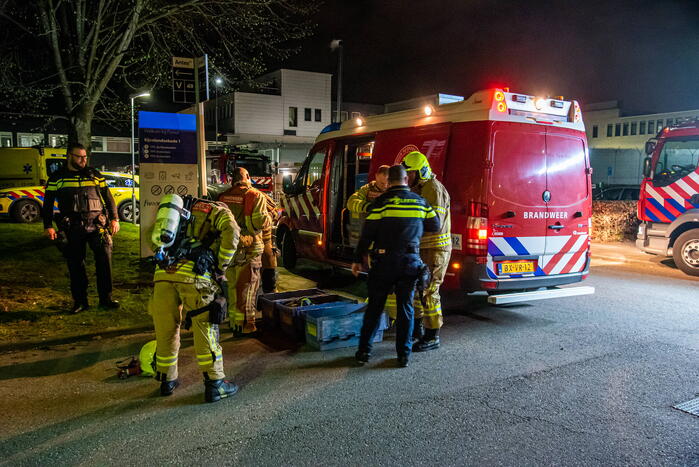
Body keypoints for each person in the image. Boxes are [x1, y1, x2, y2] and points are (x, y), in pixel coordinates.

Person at [149, 195, 241, 402]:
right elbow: (233, 233)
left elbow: (151, 236)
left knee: (166, 330)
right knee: (205, 329)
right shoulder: (218, 211)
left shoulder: (174, 213)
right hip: (195, 277)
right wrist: (221, 266)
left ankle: (167, 380)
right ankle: (216, 384)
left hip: (162, 276)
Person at [352, 165, 440, 367]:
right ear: (406, 180)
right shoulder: (420, 203)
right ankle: (403, 356)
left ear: (389, 182)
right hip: (410, 262)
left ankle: (364, 353)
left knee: (374, 307)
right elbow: (435, 225)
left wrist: (358, 259)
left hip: (383, 262)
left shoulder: (381, 203)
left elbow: (368, 234)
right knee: (406, 308)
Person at [42, 143, 120, 313]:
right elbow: (47, 204)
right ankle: (80, 302)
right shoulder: (57, 177)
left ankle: (106, 299)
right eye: (79, 157)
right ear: (69, 156)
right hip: (73, 226)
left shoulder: (94, 175)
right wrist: (48, 226)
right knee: (76, 265)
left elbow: (108, 198)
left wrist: (114, 219)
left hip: (97, 225)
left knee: (105, 263)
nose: (83, 160)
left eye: (85, 157)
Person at [401, 151, 452, 352]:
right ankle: (418, 329)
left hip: (435, 249)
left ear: (420, 171)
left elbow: (435, 223)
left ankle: (432, 336)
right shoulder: (420, 188)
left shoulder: (432, 188)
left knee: (430, 291)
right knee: (418, 290)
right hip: (423, 248)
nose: (408, 177)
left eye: (411, 173)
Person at [218, 167, 271, 335]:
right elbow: (258, 222)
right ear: (247, 177)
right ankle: (247, 325)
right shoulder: (255, 195)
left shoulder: (223, 196)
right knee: (248, 289)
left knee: (233, 287)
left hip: (230, 250)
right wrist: (270, 217)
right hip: (249, 249)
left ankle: (234, 323)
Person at [346, 165, 397, 317]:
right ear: (376, 177)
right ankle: (377, 306)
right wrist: (367, 206)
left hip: (390, 241)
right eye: (382, 183)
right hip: (373, 241)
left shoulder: (394, 190)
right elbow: (351, 202)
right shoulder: (367, 190)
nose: (385, 186)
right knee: (374, 274)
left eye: (387, 183)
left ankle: (387, 311)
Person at [260, 191, 279, 294]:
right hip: (263, 245)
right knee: (269, 283)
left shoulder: (224, 196)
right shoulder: (259, 196)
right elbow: (274, 213)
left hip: (237, 246)